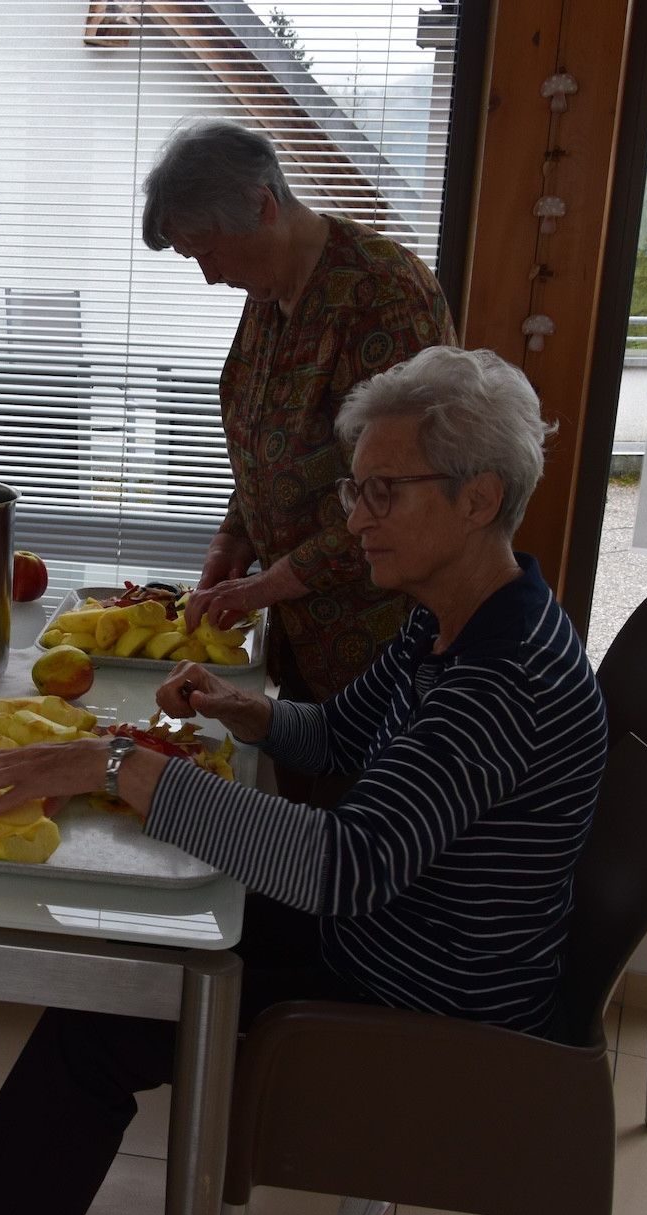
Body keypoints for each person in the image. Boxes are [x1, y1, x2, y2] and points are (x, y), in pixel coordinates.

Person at [0, 346, 608, 1215]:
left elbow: (343, 866)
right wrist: (242, 708)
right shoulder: (453, 616)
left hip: (430, 999)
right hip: (398, 930)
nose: (356, 521)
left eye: (383, 493)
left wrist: (118, 761)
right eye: (353, 493)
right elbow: (335, 737)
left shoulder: (501, 678)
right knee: (147, 942)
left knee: (113, 1006)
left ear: (479, 499)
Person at [143, 117, 456, 802]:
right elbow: (267, 444)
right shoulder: (270, 294)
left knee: (350, 843)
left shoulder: (383, 294)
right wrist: (236, 537)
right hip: (302, 643)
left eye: (209, 251)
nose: (208, 276)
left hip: (375, 647)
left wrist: (264, 586)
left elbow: (399, 498)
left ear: (262, 205)